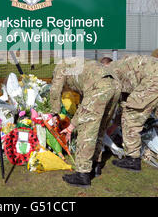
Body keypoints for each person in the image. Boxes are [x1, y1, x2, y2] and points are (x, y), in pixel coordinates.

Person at [50, 58, 121, 187]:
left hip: (99, 86)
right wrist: (73, 124)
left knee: (86, 131)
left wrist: (54, 113)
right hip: (115, 85)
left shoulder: (60, 68)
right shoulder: (81, 66)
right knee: (99, 128)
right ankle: (95, 165)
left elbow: (55, 91)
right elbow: (85, 103)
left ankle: (82, 174)